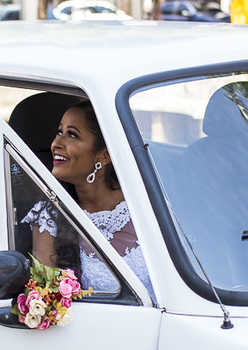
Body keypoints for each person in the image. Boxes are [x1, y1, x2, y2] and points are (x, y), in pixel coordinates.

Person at [25, 101, 153, 296]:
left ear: (104, 156)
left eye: (72, 135)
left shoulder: (145, 202)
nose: (55, 144)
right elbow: (47, 298)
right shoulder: (48, 216)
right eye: (59, 132)